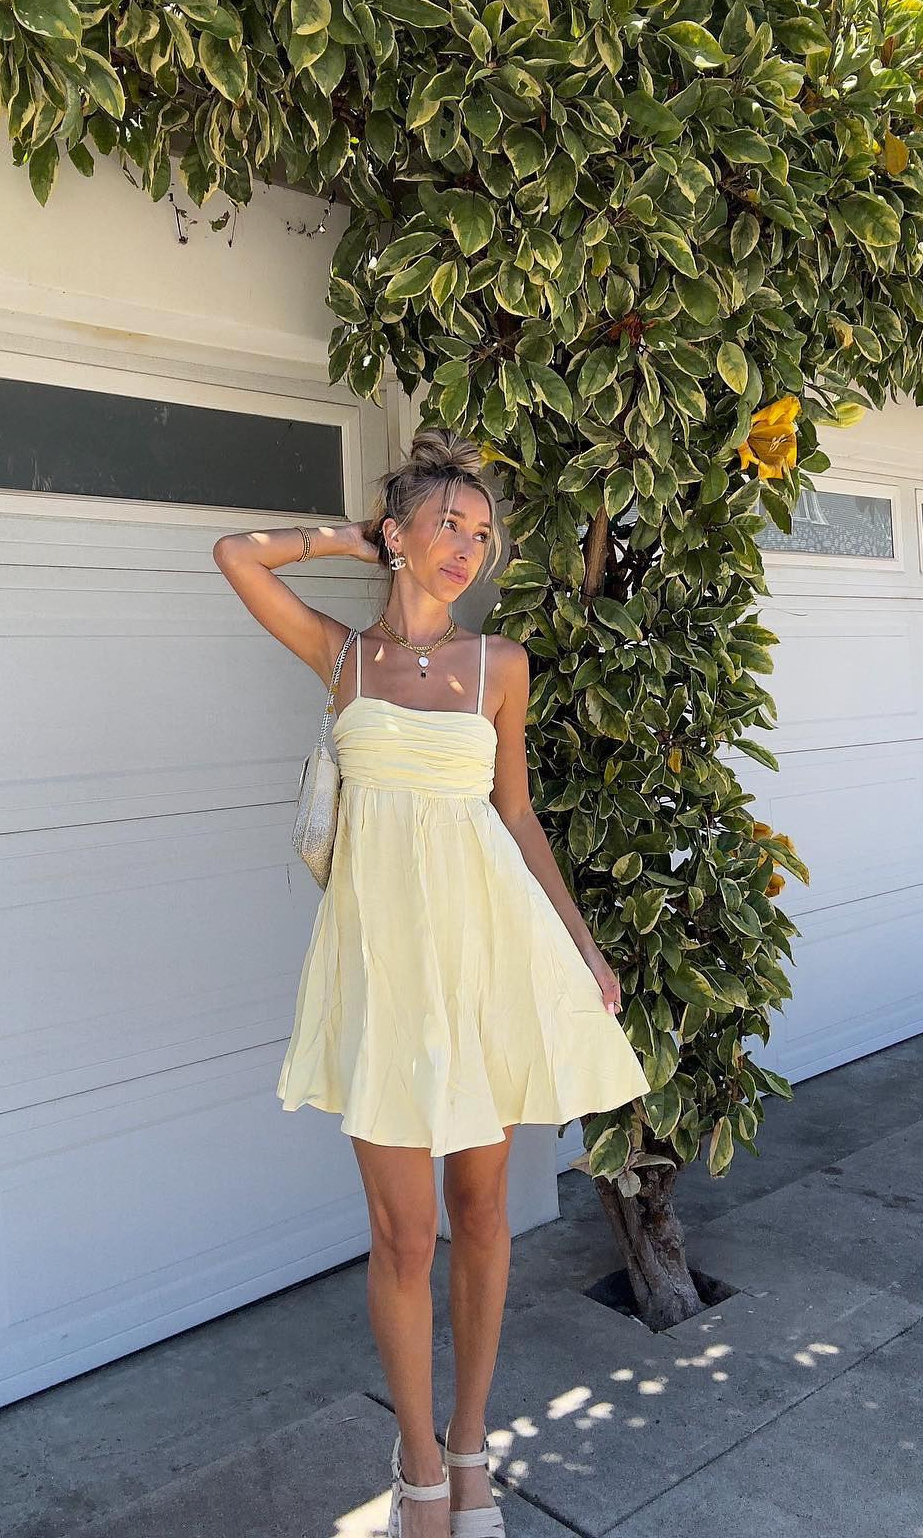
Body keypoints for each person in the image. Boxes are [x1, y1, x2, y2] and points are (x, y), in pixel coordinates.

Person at [213, 427, 651, 1538]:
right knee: (403, 1235)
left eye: (482, 532)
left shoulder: (499, 666)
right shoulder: (343, 658)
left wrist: (585, 944)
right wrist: (342, 538)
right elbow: (235, 554)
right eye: (446, 526)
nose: (469, 547)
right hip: (382, 971)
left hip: (481, 958)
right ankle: (413, 1462)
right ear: (397, 536)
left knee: (484, 1211)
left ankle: (469, 1450)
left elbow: (516, 815)